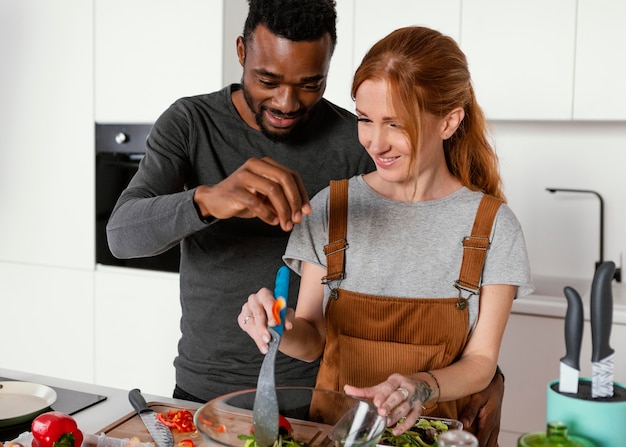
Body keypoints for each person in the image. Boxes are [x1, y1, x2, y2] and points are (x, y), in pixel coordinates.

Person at [106, 0, 508, 443]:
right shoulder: (191, 123)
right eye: (268, 80)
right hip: (206, 391)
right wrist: (210, 199)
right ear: (241, 51)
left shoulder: (359, 142)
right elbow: (122, 236)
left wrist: (483, 370)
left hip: (321, 398)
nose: (286, 102)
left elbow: (427, 265)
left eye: (310, 83)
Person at [238, 25, 533, 438]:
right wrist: (279, 328)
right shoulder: (332, 208)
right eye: (365, 119)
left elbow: (481, 362)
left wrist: (421, 386)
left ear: (449, 122)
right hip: (334, 436)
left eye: (396, 124)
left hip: (437, 438)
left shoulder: (492, 225)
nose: (375, 143)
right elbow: (311, 339)